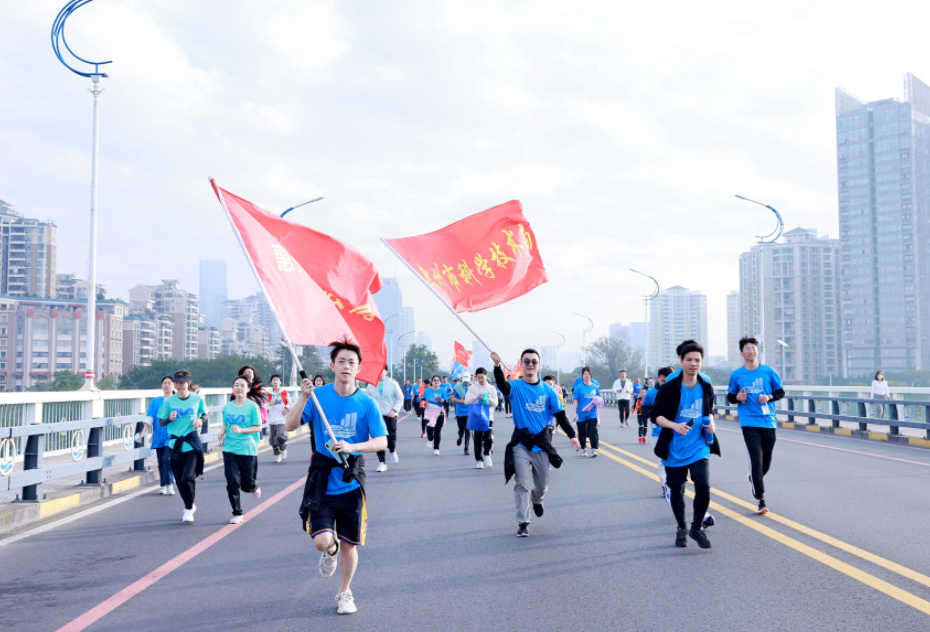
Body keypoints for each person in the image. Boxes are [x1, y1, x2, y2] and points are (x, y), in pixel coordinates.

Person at [285, 339, 387, 616]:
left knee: (350, 545)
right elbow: (290, 425)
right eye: (341, 361)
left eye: (351, 362)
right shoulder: (318, 396)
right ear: (332, 366)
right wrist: (304, 396)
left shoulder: (366, 402)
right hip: (322, 481)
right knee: (322, 540)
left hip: (351, 480)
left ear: (359, 369)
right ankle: (329, 551)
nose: (346, 366)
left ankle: (344, 592)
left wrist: (353, 446)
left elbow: (382, 441)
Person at [493, 349, 581, 537]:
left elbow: (559, 415)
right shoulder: (515, 386)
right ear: (521, 364)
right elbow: (502, 386)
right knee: (521, 482)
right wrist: (497, 366)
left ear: (538, 365)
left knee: (542, 483)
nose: (530, 364)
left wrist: (572, 435)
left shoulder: (548, 390)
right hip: (521, 443)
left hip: (541, 443)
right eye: (527, 361)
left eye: (534, 361)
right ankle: (523, 522)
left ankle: (537, 499)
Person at [651, 341, 720, 549]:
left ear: (702, 362)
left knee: (704, 486)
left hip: (699, 446)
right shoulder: (669, 388)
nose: (693, 363)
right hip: (674, 448)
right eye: (689, 359)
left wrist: (712, 423)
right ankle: (681, 527)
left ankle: (696, 528)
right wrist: (674, 425)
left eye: (697, 360)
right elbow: (655, 416)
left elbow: (709, 411)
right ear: (681, 361)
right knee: (677, 490)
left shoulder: (706, 386)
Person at [726, 336, 785, 515]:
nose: (751, 351)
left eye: (753, 348)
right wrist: (737, 397)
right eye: (747, 348)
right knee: (756, 461)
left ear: (757, 351)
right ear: (741, 353)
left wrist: (769, 397)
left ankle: (753, 478)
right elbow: (730, 396)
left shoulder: (768, 371)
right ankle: (761, 499)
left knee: (766, 463)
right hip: (748, 422)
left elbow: (780, 392)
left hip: (768, 421)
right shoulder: (737, 374)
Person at [158, 370, 209, 524]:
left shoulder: (197, 399)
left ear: (188, 383)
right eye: (176, 382)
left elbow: (205, 414)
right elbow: (161, 422)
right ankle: (189, 504)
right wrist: (169, 418)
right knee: (179, 480)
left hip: (191, 442)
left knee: (188, 476)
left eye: (181, 382)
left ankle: (188, 509)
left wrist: (200, 420)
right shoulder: (169, 401)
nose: (178, 385)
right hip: (175, 444)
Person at [219, 376, 263, 524]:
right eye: (236, 385)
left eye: (242, 385)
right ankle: (237, 513)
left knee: (246, 484)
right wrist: (222, 432)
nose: (239, 388)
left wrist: (242, 430)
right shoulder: (227, 407)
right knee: (232, 482)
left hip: (247, 449)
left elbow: (258, 427)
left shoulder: (252, 407)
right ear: (233, 388)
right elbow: (225, 424)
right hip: (229, 448)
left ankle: (253, 486)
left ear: (248, 389)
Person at [365, 366, 403, 471]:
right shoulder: (371, 385)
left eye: (381, 369)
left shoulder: (392, 384)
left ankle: (392, 450)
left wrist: (394, 410)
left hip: (390, 415)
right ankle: (382, 463)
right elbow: (367, 400)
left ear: (386, 371)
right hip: (377, 416)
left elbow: (400, 398)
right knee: (378, 439)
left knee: (391, 438)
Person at [143, 376, 175, 495]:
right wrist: (144, 431)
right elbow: (150, 417)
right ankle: (163, 485)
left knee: (168, 460)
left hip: (172, 435)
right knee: (161, 462)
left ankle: (170, 484)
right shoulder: (156, 401)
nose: (166, 385)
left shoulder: (177, 400)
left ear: (174, 385)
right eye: (164, 383)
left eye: (169, 383)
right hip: (159, 435)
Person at [466, 368, 498, 468]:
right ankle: (479, 460)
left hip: (488, 417)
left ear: (486, 376)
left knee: (488, 438)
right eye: (478, 377)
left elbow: (496, 403)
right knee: (477, 440)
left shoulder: (491, 388)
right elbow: (466, 401)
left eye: (482, 377)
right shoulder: (472, 388)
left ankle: (487, 454)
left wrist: (488, 398)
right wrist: (476, 397)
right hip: (476, 417)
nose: (480, 380)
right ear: (475, 377)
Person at [573, 366, 601, 457]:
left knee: (593, 430)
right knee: (582, 432)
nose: (587, 376)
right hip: (581, 413)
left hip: (592, 413)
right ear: (582, 375)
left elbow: (599, 398)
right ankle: (584, 449)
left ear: (591, 375)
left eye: (588, 374)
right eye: (585, 374)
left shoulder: (595, 387)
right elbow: (575, 401)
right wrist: (575, 413)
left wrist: (598, 401)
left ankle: (593, 449)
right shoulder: (578, 387)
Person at [266, 374, 290, 463]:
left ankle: (283, 448)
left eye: (277, 380)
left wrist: (286, 408)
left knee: (279, 436)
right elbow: (264, 406)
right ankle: (278, 454)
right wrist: (270, 404)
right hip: (272, 419)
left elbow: (290, 403)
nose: (275, 381)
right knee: (272, 440)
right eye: (273, 380)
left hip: (281, 419)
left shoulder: (284, 392)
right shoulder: (268, 394)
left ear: (280, 382)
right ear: (271, 382)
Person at [422, 376, 447, 455]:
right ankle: (430, 439)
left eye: (438, 380)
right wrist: (424, 403)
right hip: (429, 411)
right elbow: (423, 398)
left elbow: (445, 402)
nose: (436, 381)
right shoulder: (427, 390)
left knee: (437, 432)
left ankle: (436, 448)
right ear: (432, 382)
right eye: (434, 380)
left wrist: (438, 398)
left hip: (439, 412)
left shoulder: (442, 390)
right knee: (429, 428)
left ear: (440, 382)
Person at [452, 372, 473, 455]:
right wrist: (461, 401)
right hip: (460, 412)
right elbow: (453, 398)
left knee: (468, 429)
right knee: (461, 429)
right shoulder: (458, 387)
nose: (466, 382)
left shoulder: (473, 387)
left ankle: (466, 448)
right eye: (464, 380)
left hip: (469, 411)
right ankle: (460, 436)